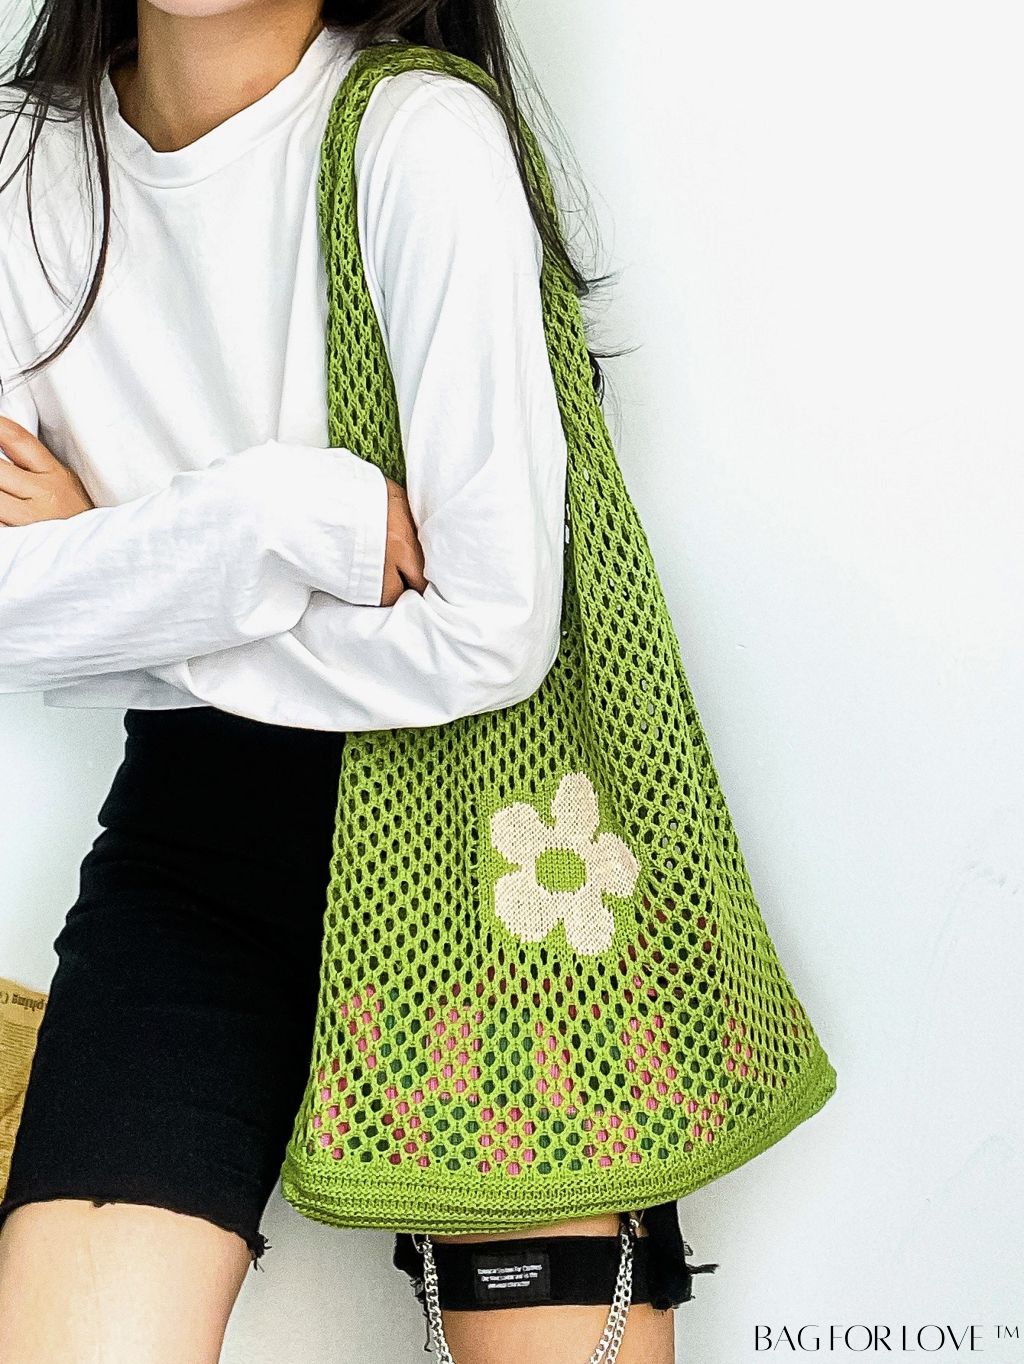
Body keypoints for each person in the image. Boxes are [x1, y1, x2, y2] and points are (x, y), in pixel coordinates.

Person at [0, 3, 715, 1360]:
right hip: (194, 862)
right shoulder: (24, 166)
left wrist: (116, 569)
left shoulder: (416, 137)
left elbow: (491, 634)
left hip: (489, 853)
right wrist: (279, 522)